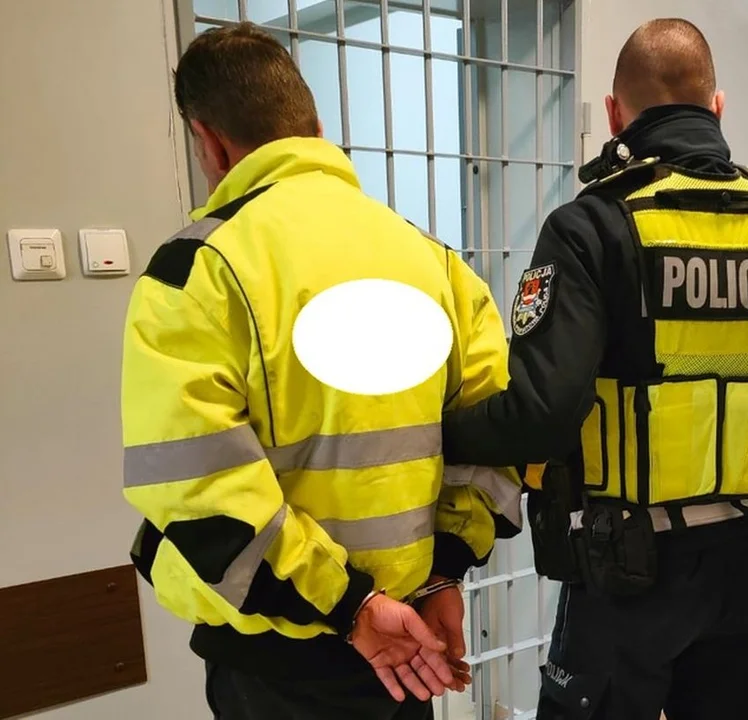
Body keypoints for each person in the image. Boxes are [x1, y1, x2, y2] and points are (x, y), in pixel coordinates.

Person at [440, 18, 748, 720]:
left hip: (624, 571)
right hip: (742, 565)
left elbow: (542, 414)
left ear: (614, 114)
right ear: (718, 107)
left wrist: (442, 432)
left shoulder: (590, 228)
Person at [121, 23, 523, 720]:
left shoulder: (199, 270)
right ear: (316, 128)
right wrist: (441, 574)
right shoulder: (434, 261)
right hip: (408, 636)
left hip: (280, 657)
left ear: (210, 141)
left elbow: (197, 489)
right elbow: (494, 437)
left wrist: (351, 605)